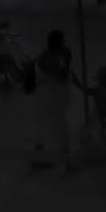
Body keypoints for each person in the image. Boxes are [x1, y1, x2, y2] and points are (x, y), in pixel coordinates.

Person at [31, 30, 74, 170]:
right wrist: (66, 60)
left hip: (59, 98)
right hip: (48, 100)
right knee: (55, 128)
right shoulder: (45, 60)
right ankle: (62, 160)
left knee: (53, 127)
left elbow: (68, 74)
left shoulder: (60, 55)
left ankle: (42, 157)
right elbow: (61, 77)